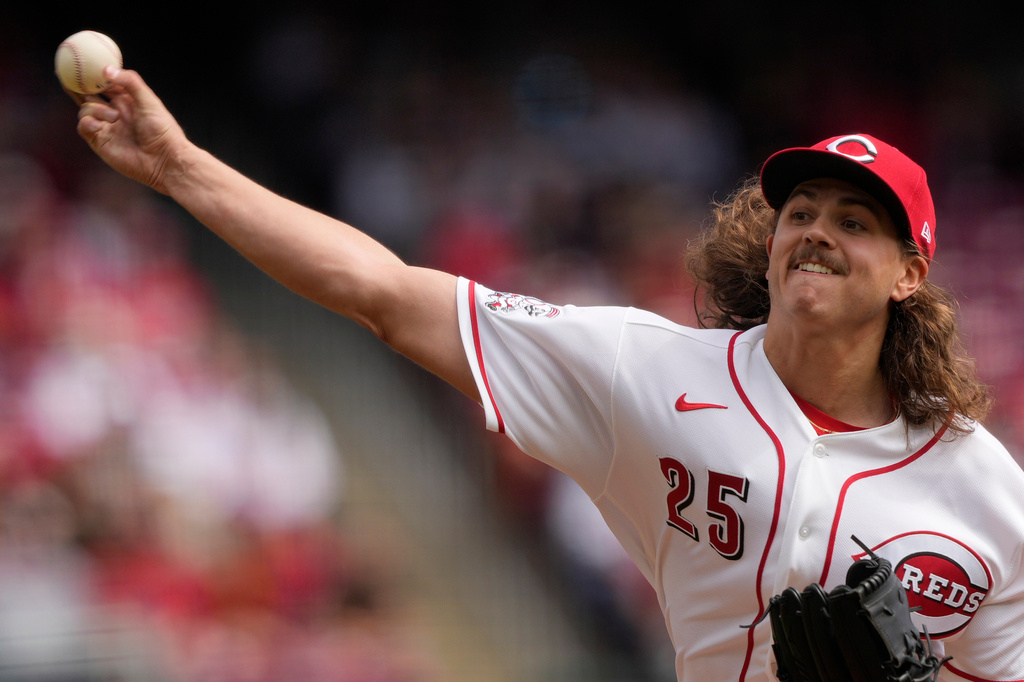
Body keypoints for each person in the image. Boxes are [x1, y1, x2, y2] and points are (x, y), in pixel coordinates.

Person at [71, 67, 1024, 681]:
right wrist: (181, 166)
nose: (815, 230)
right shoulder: (644, 370)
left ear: (910, 273)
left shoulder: (984, 492)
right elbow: (385, 293)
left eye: (855, 221)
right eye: (801, 210)